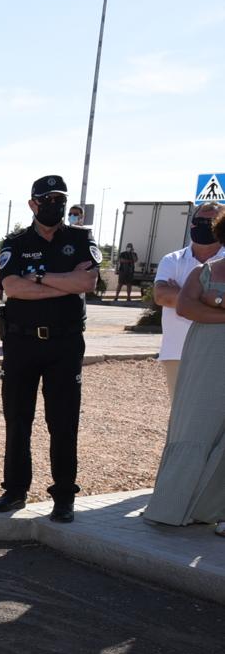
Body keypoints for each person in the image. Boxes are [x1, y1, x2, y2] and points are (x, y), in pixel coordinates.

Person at [0, 175, 100, 523]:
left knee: (63, 421)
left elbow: (87, 282)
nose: (55, 205)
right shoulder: (16, 242)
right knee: (17, 419)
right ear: (33, 204)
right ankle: (15, 489)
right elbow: (13, 288)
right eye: (47, 200)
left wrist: (36, 276)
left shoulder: (80, 239)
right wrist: (61, 282)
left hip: (65, 344)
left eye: (60, 199)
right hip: (21, 342)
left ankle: (63, 495)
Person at [144, 206, 225, 537]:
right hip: (205, 355)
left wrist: (214, 304)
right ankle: (182, 505)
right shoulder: (205, 271)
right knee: (195, 428)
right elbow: (184, 305)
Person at [152, 203, 225, 401]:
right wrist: (210, 297)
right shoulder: (172, 260)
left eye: (208, 222)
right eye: (197, 221)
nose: (200, 226)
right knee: (181, 415)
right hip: (177, 352)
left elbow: (172, 298)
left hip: (218, 351)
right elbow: (160, 296)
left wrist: (185, 295)